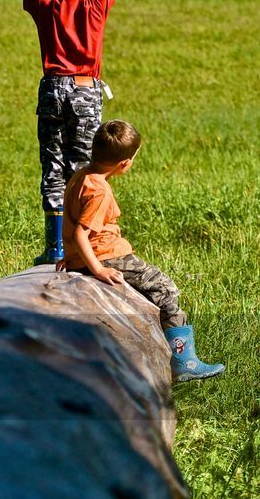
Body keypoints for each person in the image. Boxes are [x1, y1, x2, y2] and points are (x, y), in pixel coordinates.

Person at [58, 119, 224, 383]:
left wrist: (69, 256)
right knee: (165, 288)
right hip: (108, 254)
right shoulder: (99, 191)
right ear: (125, 163)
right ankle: (184, 361)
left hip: (86, 254)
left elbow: (69, 222)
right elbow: (81, 232)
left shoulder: (81, 175)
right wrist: (98, 268)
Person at [2, 0, 127, 265]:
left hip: (53, 90)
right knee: (84, 164)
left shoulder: (46, 4)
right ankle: (82, 245)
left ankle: (56, 246)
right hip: (86, 90)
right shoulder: (97, 3)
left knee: (53, 163)